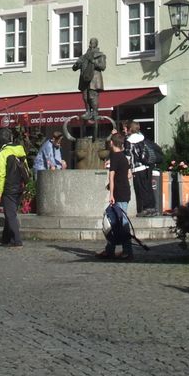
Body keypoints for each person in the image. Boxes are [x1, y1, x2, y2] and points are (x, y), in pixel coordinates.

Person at [99, 132, 134, 260]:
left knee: (122, 222)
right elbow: (129, 175)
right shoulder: (124, 157)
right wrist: (120, 180)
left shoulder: (114, 156)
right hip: (125, 191)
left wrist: (111, 194)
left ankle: (127, 251)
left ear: (112, 143)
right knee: (115, 222)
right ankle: (110, 250)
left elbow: (111, 176)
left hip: (119, 194)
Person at [0, 128, 28, 249]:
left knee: (10, 215)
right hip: (20, 186)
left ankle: (17, 241)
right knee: (10, 213)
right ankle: (5, 238)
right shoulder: (20, 150)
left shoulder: (3, 154)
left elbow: (0, 175)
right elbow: (26, 169)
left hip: (8, 187)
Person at [125, 121, 156, 216]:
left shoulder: (129, 141)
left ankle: (144, 209)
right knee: (148, 188)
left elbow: (128, 156)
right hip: (147, 166)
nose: (125, 130)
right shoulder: (142, 138)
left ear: (130, 129)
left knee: (140, 189)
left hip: (137, 168)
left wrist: (128, 169)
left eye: (126, 128)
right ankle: (152, 208)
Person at [72, 38, 107, 119]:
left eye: (92, 43)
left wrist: (93, 61)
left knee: (92, 96)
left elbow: (103, 67)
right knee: (85, 97)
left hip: (94, 79)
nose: (90, 44)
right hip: (84, 79)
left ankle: (95, 112)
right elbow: (74, 68)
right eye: (90, 42)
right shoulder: (84, 57)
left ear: (96, 44)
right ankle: (88, 112)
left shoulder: (100, 55)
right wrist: (77, 64)